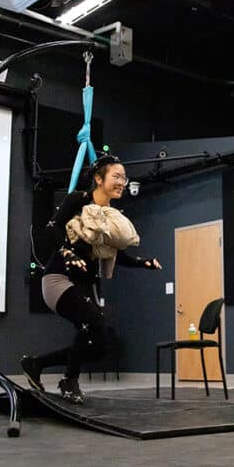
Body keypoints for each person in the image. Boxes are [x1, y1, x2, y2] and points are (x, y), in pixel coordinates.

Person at [20, 155, 162, 405]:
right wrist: (67, 251)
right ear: (99, 178)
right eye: (116, 176)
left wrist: (143, 262)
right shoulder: (78, 200)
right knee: (93, 321)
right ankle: (69, 380)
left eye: (124, 178)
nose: (122, 182)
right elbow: (53, 228)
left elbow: (114, 253)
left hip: (86, 283)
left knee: (97, 345)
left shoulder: (110, 215)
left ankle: (36, 364)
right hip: (59, 278)